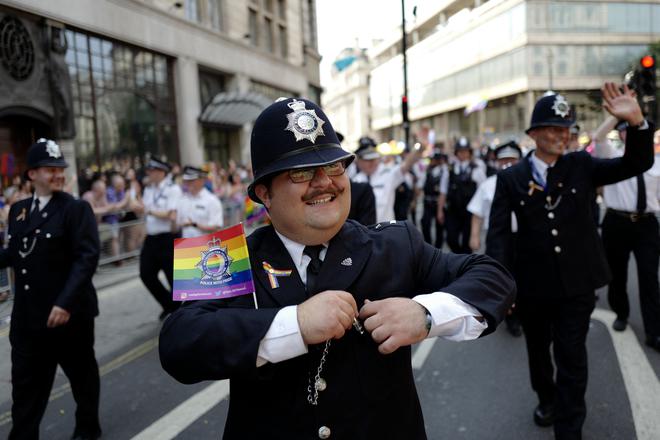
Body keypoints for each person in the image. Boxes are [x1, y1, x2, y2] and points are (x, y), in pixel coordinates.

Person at [159, 97, 515, 440]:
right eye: (301, 172)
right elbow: (179, 343)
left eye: (333, 166)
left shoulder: (395, 243)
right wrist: (294, 324)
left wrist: (425, 315)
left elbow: (493, 278)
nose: (325, 181)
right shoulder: (224, 255)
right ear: (264, 193)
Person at [486, 84, 654, 440]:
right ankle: (546, 398)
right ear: (534, 134)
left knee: (572, 356)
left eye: (566, 130)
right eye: (552, 128)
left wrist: (638, 123)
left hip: (577, 285)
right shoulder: (510, 178)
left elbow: (636, 162)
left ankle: (569, 428)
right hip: (532, 287)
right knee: (538, 353)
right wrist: (502, 287)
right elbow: (499, 237)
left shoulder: (581, 165)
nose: (561, 136)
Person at [0, 139, 101, 440]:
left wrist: (65, 303)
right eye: (50, 169)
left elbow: (87, 258)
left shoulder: (75, 209)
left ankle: (87, 427)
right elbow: (16, 253)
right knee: (26, 388)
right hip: (29, 319)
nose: (58, 174)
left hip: (68, 316)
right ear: (32, 174)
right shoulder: (18, 211)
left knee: (82, 377)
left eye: (60, 168)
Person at [593, 118, 660, 351]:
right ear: (620, 135)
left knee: (650, 278)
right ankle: (621, 313)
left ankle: (654, 331)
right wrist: (615, 115)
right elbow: (598, 138)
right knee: (617, 273)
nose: (629, 135)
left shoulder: (657, 163)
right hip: (617, 222)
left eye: (635, 130)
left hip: (647, 224)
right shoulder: (612, 155)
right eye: (625, 131)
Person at [468, 141, 523, 337]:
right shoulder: (488, 185)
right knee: (503, 280)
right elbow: (477, 213)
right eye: (503, 159)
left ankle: (524, 312)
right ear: (496, 162)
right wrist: (474, 236)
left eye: (512, 159)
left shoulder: (529, 181)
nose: (507, 163)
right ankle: (511, 318)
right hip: (498, 240)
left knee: (526, 278)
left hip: (525, 237)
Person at [135, 157, 182, 320]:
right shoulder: (149, 190)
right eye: (149, 171)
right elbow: (145, 213)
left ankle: (180, 310)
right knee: (146, 274)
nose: (149, 174)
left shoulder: (173, 189)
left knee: (172, 277)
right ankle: (169, 304)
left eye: (152, 171)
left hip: (167, 238)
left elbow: (170, 214)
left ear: (162, 172)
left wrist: (148, 210)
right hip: (151, 239)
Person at [352, 136, 423, 223]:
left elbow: (407, 164)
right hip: (364, 231)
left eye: (373, 159)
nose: (372, 163)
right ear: (358, 161)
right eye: (367, 160)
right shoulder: (355, 180)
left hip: (385, 230)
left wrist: (419, 146)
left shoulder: (388, 174)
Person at [441, 137, 486, 254]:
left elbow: (484, 191)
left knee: (467, 242)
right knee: (451, 238)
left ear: (469, 152)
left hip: (469, 212)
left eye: (465, 151)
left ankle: (464, 265)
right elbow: (443, 191)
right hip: (453, 210)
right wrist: (439, 210)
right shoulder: (449, 170)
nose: (463, 154)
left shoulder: (477, 169)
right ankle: (459, 257)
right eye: (460, 151)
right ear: (456, 153)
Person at [176, 165, 224, 238]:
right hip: (185, 246)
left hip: (204, 245)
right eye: (186, 181)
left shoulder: (212, 200)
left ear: (201, 180)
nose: (188, 184)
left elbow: (216, 227)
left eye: (191, 180)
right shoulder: (182, 199)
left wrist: (194, 224)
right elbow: (177, 223)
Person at [419, 150, 448, 248]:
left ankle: (437, 248)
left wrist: (440, 209)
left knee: (439, 226)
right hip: (427, 201)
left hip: (438, 202)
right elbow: (421, 185)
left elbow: (443, 191)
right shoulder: (427, 170)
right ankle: (428, 245)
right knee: (425, 223)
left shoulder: (444, 171)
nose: (432, 161)